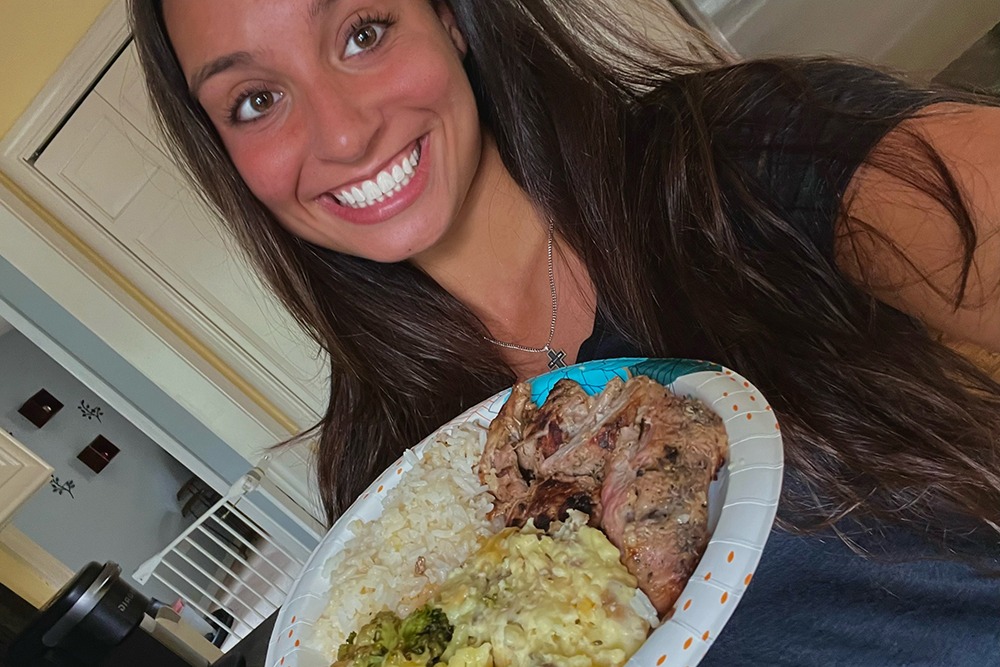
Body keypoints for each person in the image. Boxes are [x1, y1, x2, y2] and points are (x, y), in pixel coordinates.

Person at [130, 0, 1000, 663]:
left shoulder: (730, 160)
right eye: (254, 99)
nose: (343, 132)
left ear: (450, 20)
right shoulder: (384, 472)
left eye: (362, 31)